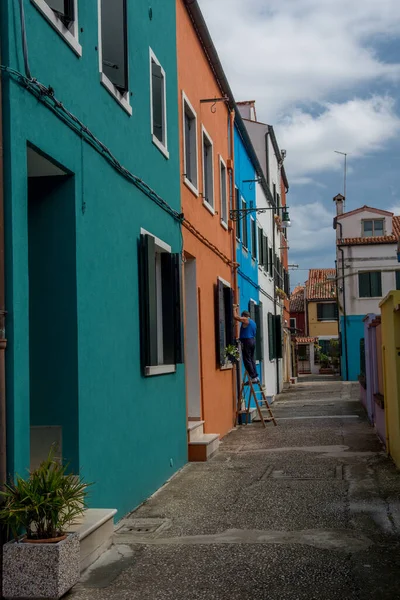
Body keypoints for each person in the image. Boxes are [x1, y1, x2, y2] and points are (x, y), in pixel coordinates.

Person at [234, 306, 259, 383]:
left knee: (247, 359)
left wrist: (234, 309)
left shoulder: (245, 319)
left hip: (247, 341)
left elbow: (236, 317)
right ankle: (255, 376)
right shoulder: (253, 322)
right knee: (251, 359)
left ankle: (253, 377)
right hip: (252, 341)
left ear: (244, 316)